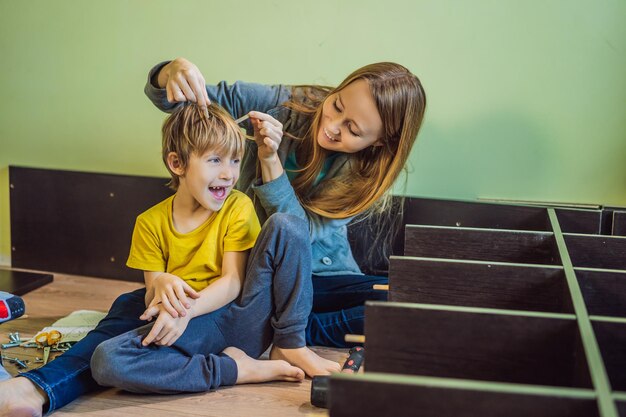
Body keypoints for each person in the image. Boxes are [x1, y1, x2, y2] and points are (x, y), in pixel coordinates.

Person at [0, 102, 317, 416]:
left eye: (235, 161)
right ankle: (33, 388)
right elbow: (152, 294)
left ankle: (237, 366)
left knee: (287, 223)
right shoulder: (149, 222)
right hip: (185, 320)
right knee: (115, 338)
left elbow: (233, 283)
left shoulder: (238, 206)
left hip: (232, 315)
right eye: (215, 160)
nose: (228, 173)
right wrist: (162, 282)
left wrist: (185, 311)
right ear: (177, 163)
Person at [145, 58, 427, 350]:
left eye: (352, 130)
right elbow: (184, 105)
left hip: (320, 278)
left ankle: (288, 328)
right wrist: (169, 73)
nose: (332, 125)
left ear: (379, 143)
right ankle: (283, 327)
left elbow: (297, 237)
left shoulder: (368, 175)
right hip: (257, 273)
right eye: (337, 105)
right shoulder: (281, 104)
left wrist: (271, 163)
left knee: (407, 301)